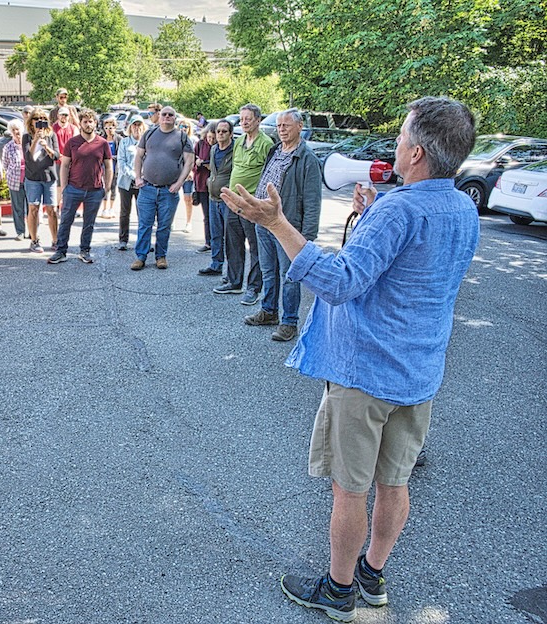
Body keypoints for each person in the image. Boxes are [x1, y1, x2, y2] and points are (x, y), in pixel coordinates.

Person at [221, 96, 479, 623]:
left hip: (365, 374)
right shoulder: (462, 207)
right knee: (395, 482)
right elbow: (414, 270)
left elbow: (339, 283)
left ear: (418, 154)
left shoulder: (400, 209)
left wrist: (276, 224)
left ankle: (338, 593)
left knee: (349, 489)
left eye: (404, 137)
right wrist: (368, 216)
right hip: (418, 372)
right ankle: (372, 576)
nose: (398, 144)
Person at [242, 109, 321, 341]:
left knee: (289, 275)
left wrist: (308, 236)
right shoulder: (275, 150)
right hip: (264, 221)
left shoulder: (307, 159)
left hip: (288, 225)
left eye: (286, 125)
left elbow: (312, 199)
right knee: (268, 270)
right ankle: (269, 311)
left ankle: (289, 322)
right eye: (279, 126)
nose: (282, 129)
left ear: (299, 127)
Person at [215, 104, 274, 304]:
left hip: (252, 203)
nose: (244, 122)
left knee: (256, 246)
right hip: (234, 201)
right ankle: (234, 281)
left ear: (258, 120)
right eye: (242, 119)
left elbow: (270, 174)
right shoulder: (239, 141)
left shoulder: (266, 143)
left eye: (248, 118)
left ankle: (254, 288)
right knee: (233, 242)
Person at [130, 106, 195, 271]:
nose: (167, 117)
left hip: (169, 191)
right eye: (164, 114)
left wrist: (179, 183)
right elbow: (138, 156)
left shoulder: (182, 137)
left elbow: (189, 161)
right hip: (147, 188)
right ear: (159, 117)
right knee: (144, 224)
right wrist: (138, 177)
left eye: (170, 115)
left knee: (164, 225)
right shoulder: (149, 134)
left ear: (175, 118)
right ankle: (140, 257)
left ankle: (161, 256)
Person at [47, 108, 112, 265]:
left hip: (95, 190)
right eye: (85, 121)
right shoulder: (72, 142)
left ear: (95, 123)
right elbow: (64, 165)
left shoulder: (102, 143)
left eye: (91, 121)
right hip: (73, 189)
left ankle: (85, 251)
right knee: (66, 221)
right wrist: (64, 188)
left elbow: (109, 167)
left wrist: (107, 187)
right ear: (80, 123)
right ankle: (61, 251)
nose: (88, 124)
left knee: (88, 223)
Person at [199, 118, 234, 278]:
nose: (220, 134)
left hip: (228, 199)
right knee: (215, 233)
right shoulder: (214, 150)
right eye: (218, 131)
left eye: (224, 131)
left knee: (231, 237)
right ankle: (216, 264)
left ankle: (232, 271)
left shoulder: (235, 150)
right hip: (213, 197)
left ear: (230, 134)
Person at [23, 109, 60, 253]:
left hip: (49, 176)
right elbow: (28, 156)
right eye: (36, 118)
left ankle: (55, 240)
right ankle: (34, 240)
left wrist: (46, 145)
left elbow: (56, 155)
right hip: (33, 177)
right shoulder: (27, 137)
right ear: (31, 121)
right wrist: (36, 140)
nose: (39, 121)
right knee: (33, 208)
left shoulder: (51, 136)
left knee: (52, 209)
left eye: (43, 118)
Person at [116, 114, 145, 251]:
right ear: (130, 127)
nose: (137, 128)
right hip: (127, 182)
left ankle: (143, 240)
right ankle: (123, 240)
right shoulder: (124, 142)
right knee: (125, 211)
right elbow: (121, 162)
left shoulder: (146, 142)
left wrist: (142, 177)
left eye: (139, 125)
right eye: (134, 125)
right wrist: (135, 176)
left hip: (143, 183)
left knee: (143, 212)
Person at [2, 119, 28, 241]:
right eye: (13, 130)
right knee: (18, 208)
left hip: (30, 180)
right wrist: (10, 174)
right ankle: (20, 232)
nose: (16, 132)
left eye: (17, 129)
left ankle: (33, 232)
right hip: (15, 180)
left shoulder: (28, 144)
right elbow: (5, 164)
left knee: (32, 207)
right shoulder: (8, 147)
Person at [193, 122, 215, 253]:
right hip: (202, 184)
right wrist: (198, 163)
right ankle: (208, 242)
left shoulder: (221, 146)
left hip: (216, 185)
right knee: (207, 215)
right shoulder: (200, 144)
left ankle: (218, 241)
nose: (211, 140)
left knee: (217, 216)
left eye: (214, 138)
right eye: (209, 138)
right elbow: (192, 162)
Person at [52, 106, 78, 208]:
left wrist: (69, 158)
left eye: (66, 115)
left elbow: (76, 145)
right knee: (58, 185)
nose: (64, 117)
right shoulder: (53, 128)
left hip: (71, 161)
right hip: (57, 161)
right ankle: (58, 206)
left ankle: (70, 206)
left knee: (71, 184)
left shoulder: (73, 129)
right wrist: (59, 156)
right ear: (58, 115)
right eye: (62, 114)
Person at [176, 119, 197, 233]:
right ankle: (171, 221)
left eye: (186, 126)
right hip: (175, 172)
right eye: (181, 126)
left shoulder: (193, 140)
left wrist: (190, 170)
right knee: (171, 196)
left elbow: (194, 158)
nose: (183, 128)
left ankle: (188, 222)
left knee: (188, 198)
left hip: (188, 173)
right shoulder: (174, 139)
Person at [100, 117, 120, 219]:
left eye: (111, 127)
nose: (109, 130)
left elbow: (121, 154)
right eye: (107, 128)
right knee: (105, 187)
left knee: (113, 187)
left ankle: (111, 208)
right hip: (103, 168)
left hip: (114, 167)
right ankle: (104, 209)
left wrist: (112, 157)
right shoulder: (101, 139)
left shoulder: (119, 139)